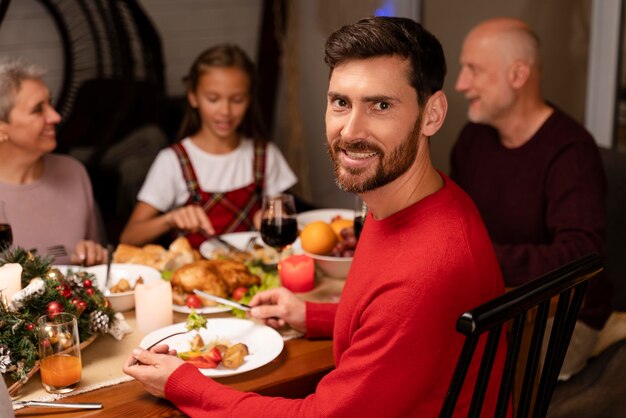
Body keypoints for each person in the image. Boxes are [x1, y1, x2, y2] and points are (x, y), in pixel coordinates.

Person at [124, 17, 508, 416]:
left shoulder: (423, 273)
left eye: (381, 105)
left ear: (432, 114)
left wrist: (182, 384)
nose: (350, 130)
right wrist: (311, 315)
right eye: (341, 102)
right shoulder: (425, 199)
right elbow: (392, 321)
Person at [451, 17, 612, 380]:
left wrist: (480, 258)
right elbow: (455, 220)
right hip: (493, 299)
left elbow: (581, 257)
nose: (461, 84)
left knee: (478, 375)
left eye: (473, 70)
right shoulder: (473, 138)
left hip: (565, 313)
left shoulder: (571, 152)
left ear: (518, 75)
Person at [119, 45, 297, 249]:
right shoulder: (172, 161)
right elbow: (129, 237)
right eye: (213, 99)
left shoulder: (266, 155)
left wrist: (267, 216)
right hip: (194, 277)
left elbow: (287, 219)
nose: (225, 111)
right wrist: (171, 219)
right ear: (193, 97)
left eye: (237, 100)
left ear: (249, 99)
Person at [0, 57, 107, 266]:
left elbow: (102, 266)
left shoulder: (74, 172)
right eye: (38, 109)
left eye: (50, 102)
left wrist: (95, 255)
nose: (56, 116)